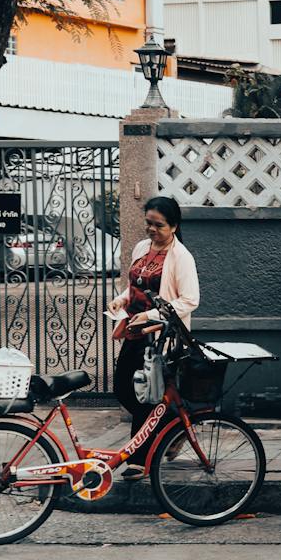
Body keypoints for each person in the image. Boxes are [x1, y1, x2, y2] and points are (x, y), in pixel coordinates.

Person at [107, 195, 199, 480]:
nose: (151, 230)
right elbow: (135, 286)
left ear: (173, 226)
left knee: (145, 397)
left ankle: (139, 459)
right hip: (134, 332)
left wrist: (151, 316)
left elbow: (190, 300)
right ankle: (173, 423)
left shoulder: (181, 257)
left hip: (160, 337)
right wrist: (120, 301)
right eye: (148, 223)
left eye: (157, 225)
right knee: (122, 390)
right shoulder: (141, 248)